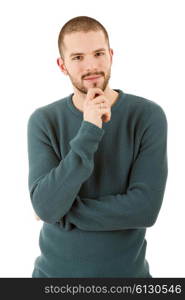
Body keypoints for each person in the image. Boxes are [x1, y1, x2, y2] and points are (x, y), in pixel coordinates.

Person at [27, 16, 168, 278]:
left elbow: (145, 209)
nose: (91, 65)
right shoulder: (44, 121)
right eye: (78, 57)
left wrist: (63, 212)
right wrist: (90, 128)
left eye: (98, 53)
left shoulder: (148, 116)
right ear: (62, 65)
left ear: (111, 56)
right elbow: (46, 207)